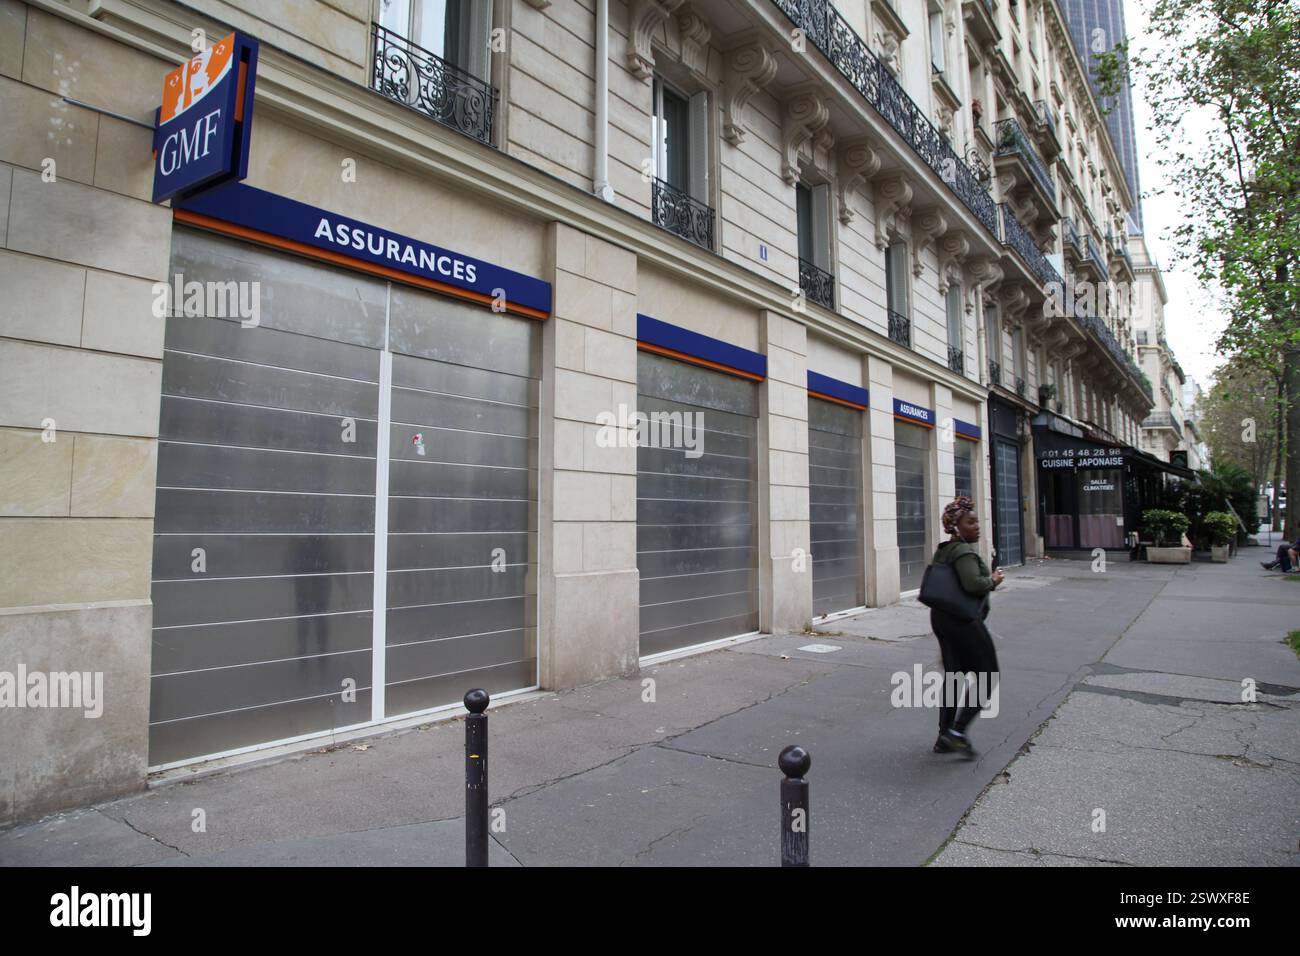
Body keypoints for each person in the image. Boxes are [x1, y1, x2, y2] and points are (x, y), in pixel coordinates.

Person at [929, 496, 1004, 758]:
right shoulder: (963, 552)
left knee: (955, 676)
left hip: (943, 618)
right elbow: (973, 584)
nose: (977, 526)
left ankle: (944, 735)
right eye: (970, 522)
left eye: (977, 521)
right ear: (956, 527)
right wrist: (993, 580)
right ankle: (957, 732)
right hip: (963, 621)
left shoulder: (944, 549)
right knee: (988, 675)